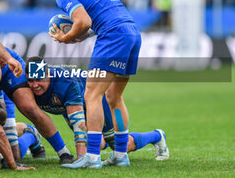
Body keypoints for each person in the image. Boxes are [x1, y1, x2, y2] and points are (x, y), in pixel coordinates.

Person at [32, 0, 142, 169]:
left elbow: (83, 22)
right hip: (131, 33)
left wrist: (66, 38)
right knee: (114, 97)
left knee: (91, 94)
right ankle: (120, 154)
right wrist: (77, 37)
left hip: (112, 36)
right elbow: (93, 22)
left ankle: (92, 156)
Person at [25, 56, 169, 161]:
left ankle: (157, 135)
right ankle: (103, 138)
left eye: (40, 79)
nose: (35, 85)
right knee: (96, 144)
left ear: (49, 74)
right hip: (72, 106)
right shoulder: (25, 88)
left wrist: (81, 159)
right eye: (31, 80)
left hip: (97, 101)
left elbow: (79, 124)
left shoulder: (64, 83)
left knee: (121, 147)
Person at [0, 46, 74, 164]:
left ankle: (61, 151)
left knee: (28, 107)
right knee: (12, 155)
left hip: (7, 72)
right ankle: (23, 135)